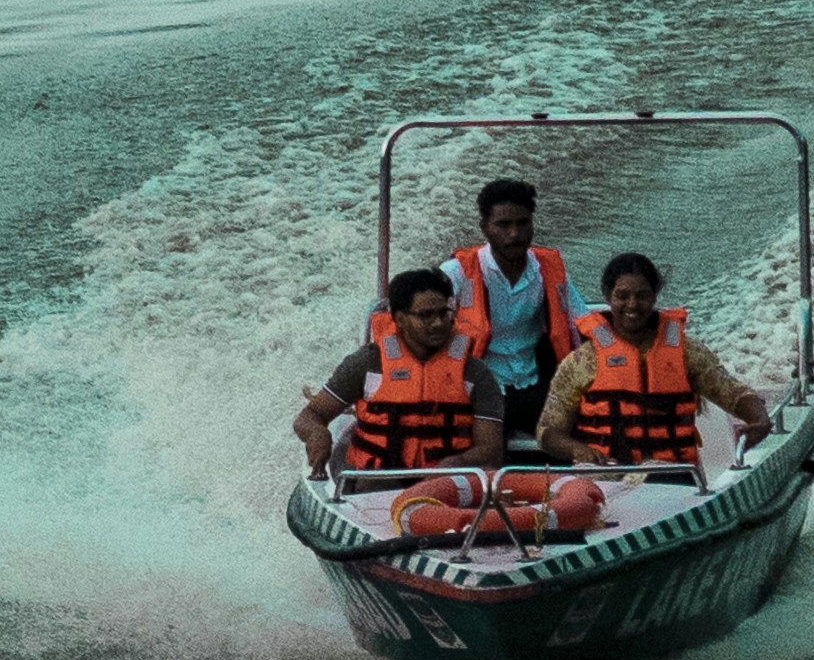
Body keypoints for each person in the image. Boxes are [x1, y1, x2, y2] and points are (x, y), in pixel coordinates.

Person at [536, 252, 773, 470]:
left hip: (674, 476)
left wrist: (760, 420)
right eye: (622, 296)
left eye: (642, 296)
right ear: (608, 296)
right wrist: (578, 449)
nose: (632, 305)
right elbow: (548, 431)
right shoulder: (581, 361)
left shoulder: (688, 353)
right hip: (604, 476)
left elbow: (732, 392)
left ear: (654, 295)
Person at [299, 268, 502, 476]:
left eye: (443, 313)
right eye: (425, 315)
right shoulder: (367, 363)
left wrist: (458, 461)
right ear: (400, 318)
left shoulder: (475, 372)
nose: (438, 323)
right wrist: (316, 433)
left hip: (446, 483)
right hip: (377, 479)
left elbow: (491, 449)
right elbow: (310, 415)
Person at [435, 176, 583, 428]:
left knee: (583, 434)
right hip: (476, 387)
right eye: (503, 225)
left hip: (535, 384)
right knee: (487, 453)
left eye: (522, 223)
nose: (514, 234)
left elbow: (581, 321)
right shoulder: (456, 272)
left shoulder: (549, 271)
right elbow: (424, 324)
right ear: (484, 227)